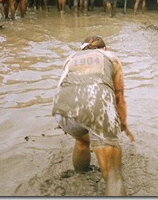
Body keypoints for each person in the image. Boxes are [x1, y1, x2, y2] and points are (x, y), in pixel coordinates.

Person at [52, 35, 134, 196]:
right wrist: (123, 124)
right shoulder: (110, 57)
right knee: (112, 175)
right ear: (104, 48)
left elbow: (65, 85)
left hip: (61, 108)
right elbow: (119, 98)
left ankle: (81, 178)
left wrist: (65, 121)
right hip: (96, 106)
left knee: (81, 140)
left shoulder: (70, 58)